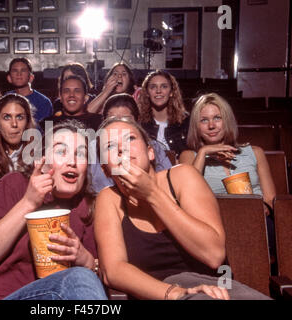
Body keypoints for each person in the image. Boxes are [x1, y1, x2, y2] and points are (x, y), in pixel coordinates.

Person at [94, 116, 270, 300]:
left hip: (216, 290)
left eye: (130, 138)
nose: (122, 148)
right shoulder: (109, 199)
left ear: (150, 152)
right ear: (106, 169)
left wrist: (152, 194)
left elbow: (213, 254)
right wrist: (175, 293)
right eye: (110, 146)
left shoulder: (183, 176)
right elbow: (113, 271)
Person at [0, 120, 107, 300]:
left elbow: (101, 278)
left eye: (81, 154)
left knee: (81, 276)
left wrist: (86, 260)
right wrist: (28, 202)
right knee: (79, 277)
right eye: (60, 151)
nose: (72, 161)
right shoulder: (15, 185)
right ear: (42, 160)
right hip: (6, 297)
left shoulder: (88, 205)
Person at [179, 93, 276, 256]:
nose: (211, 125)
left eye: (217, 118)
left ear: (227, 120)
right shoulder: (190, 156)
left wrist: (259, 208)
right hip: (215, 225)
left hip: (256, 221)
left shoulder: (255, 152)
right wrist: (203, 153)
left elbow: (271, 199)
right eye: (204, 120)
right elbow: (188, 196)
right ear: (196, 126)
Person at [90, 93, 172, 194]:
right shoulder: (93, 148)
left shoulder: (153, 146)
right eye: (112, 119)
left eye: (126, 119)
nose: (119, 124)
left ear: (137, 121)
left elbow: (168, 181)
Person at [138, 70, 190, 161]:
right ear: (147, 93)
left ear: (171, 92)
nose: (158, 91)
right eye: (153, 87)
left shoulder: (186, 122)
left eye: (164, 86)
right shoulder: (139, 123)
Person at [6, 57, 53, 124]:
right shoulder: (5, 99)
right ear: (9, 78)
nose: (19, 74)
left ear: (31, 78)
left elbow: (48, 130)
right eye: (15, 71)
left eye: (23, 70)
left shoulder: (43, 102)